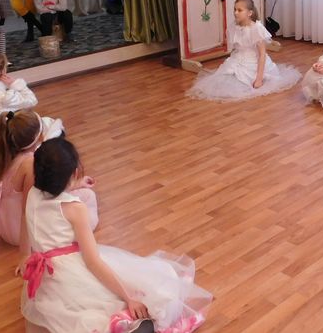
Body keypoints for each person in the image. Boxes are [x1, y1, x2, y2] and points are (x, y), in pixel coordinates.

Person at [20, 138, 213, 333]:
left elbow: (49, 198)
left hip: (48, 280)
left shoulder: (32, 194)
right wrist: (129, 297)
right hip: (72, 273)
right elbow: (93, 262)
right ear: (73, 173)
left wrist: (75, 184)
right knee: (136, 292)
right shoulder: (75, 209)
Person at [0, 109, 97, 248]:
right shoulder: (29, 164)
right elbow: (30, 207)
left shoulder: (5, 154)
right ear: (38, 137)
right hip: (19, 232)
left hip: (4, 227)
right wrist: (25, 253)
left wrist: (77, 183)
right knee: (88, 196)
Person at [186, 0, 300, 101]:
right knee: (223, 81)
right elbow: (236, 47)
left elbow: (262, 54)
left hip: (253, 62)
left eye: (239, 10)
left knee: (241, 83)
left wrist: (259, 79)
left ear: (250, 13)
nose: (236, 13)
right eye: (235, 10)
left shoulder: (256, 28)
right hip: (237, 59)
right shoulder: (234, 26)